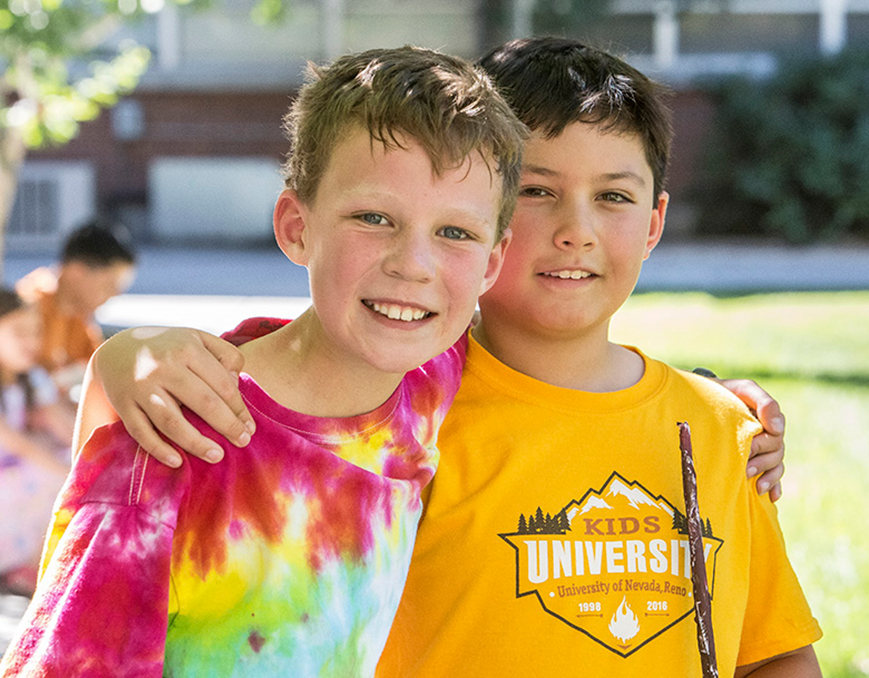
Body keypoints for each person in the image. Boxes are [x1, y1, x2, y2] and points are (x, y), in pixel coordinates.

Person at [77, 39, 820, 676]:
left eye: (614, 198)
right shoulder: (398, 410)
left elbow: (773, 648)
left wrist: (717, 403)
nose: (576, 230)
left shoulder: (724, 432)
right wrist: (125, 355)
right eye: (535, 190)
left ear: (656, 221)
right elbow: (280, 382)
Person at [0, 45, 525, 677]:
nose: (413, 264)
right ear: (297, 227)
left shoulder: (432, 377)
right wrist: (117, 358)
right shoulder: (179, 440)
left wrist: (117, 352)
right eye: (373, 217)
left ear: (491, 264)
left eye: (456, 233)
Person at [0, 288, 73, 594]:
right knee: (53, 477)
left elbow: (66, 426)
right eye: (18, 332)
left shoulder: (31, 379)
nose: (30, 342)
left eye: (35, 332)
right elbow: (20, 445)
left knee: (65, 459)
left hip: (8, 479)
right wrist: (72, 476)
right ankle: (26, 563)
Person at [16, 218, 137, 401]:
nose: (114, 294)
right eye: (109, 285)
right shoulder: (28, 308)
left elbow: (100, 366)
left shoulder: (79, 315)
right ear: (76, 271)